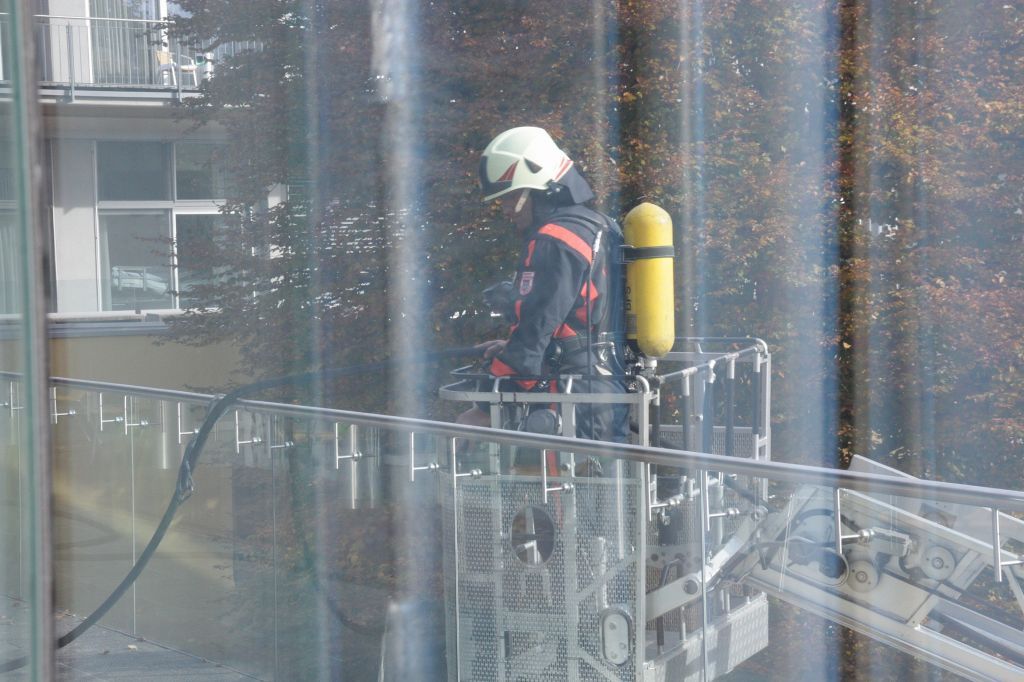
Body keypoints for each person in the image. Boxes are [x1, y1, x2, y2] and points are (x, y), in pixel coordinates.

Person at [457, 127, 630, 443]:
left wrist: (483, 408)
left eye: (510, 197)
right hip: (606, 390)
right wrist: (515, 346)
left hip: (569, 399)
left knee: (552, 477)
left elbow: (534, 332)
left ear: (538, 191)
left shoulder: (553, 241)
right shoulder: (599, 226)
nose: (505, 209)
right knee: (608, 475)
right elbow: (574, 321)